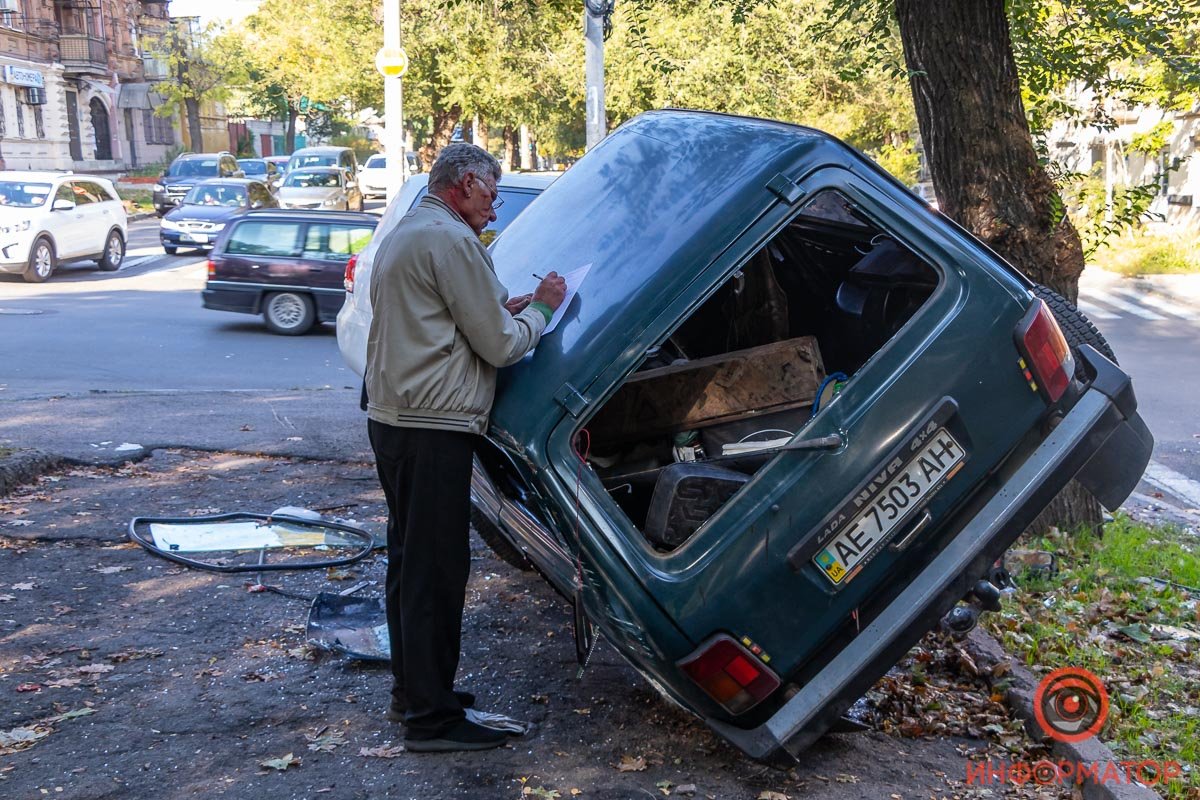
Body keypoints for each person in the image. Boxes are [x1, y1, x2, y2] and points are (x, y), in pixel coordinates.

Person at [365, 143, 566, 753]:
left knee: (410, 562)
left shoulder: (413, 228)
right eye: (491, 192)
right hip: (431, 426)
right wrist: (544, 309)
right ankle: (432, 720)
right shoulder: (451, 240)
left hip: (396, 416)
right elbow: (503, 347)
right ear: (466, 184)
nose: (495, 205)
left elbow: (440, 318)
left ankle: (418, 692)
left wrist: (497, 308)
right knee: (436, 570)